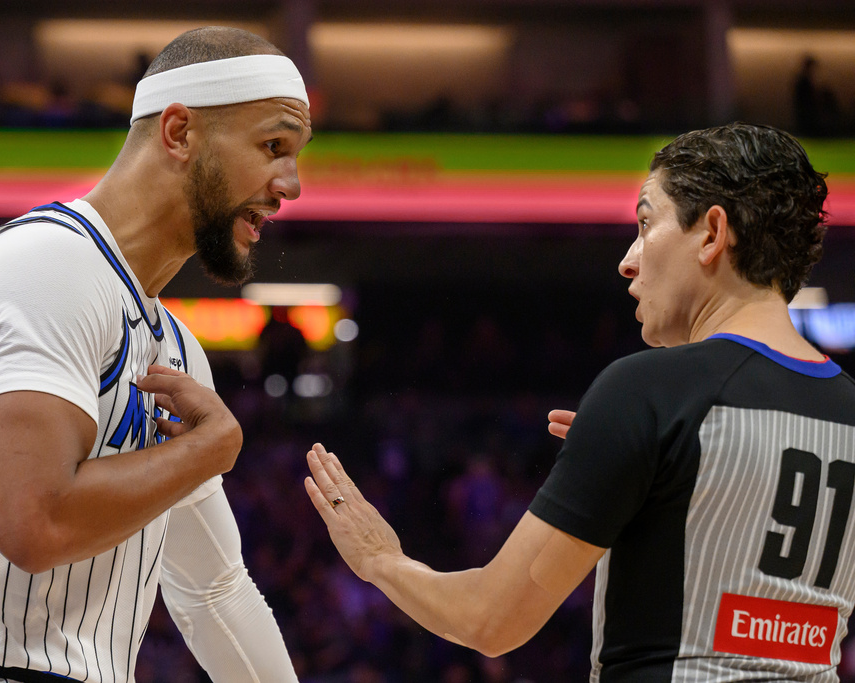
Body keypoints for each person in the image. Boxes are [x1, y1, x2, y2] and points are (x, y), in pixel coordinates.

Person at [305, 122, 855, 681]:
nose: (628, 260)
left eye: (645, 224)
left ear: (713, 233)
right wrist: (647, 466)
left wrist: (381, 561)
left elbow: (490, 620)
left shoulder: (649, 391)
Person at [0, 26, 312, 683]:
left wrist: (203, 451)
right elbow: (35, 524)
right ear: (180, 132)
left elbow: (213, 589)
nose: (292, 183)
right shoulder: (49, 262)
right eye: (273, 146)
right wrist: (205, 449)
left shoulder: (177, 348)